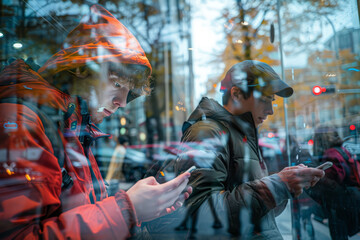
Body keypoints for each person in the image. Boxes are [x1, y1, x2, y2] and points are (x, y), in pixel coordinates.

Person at [0, 4, 191, 239]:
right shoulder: (22, 121)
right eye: (117, 84)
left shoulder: (73, 125)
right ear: (81, 69)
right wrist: (126, 210)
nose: (122, 101)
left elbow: (84, 209)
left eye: (129, 92)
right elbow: (19, 235)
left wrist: (144, 210)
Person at [174, 60, 325, 239]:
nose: (270, 111)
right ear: (236, 94)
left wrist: (284, 187)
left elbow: (256, 212)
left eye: (272, 101)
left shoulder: (242, 135)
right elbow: (201, 215)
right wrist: (276, 186)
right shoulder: (207, 133)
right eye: (264, 99)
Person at [309, 125, 360, 239]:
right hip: (348, 201)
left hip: (339, 205)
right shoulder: (342, 150)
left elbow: (332, 183)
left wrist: (316, 180)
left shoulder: (330, 154)